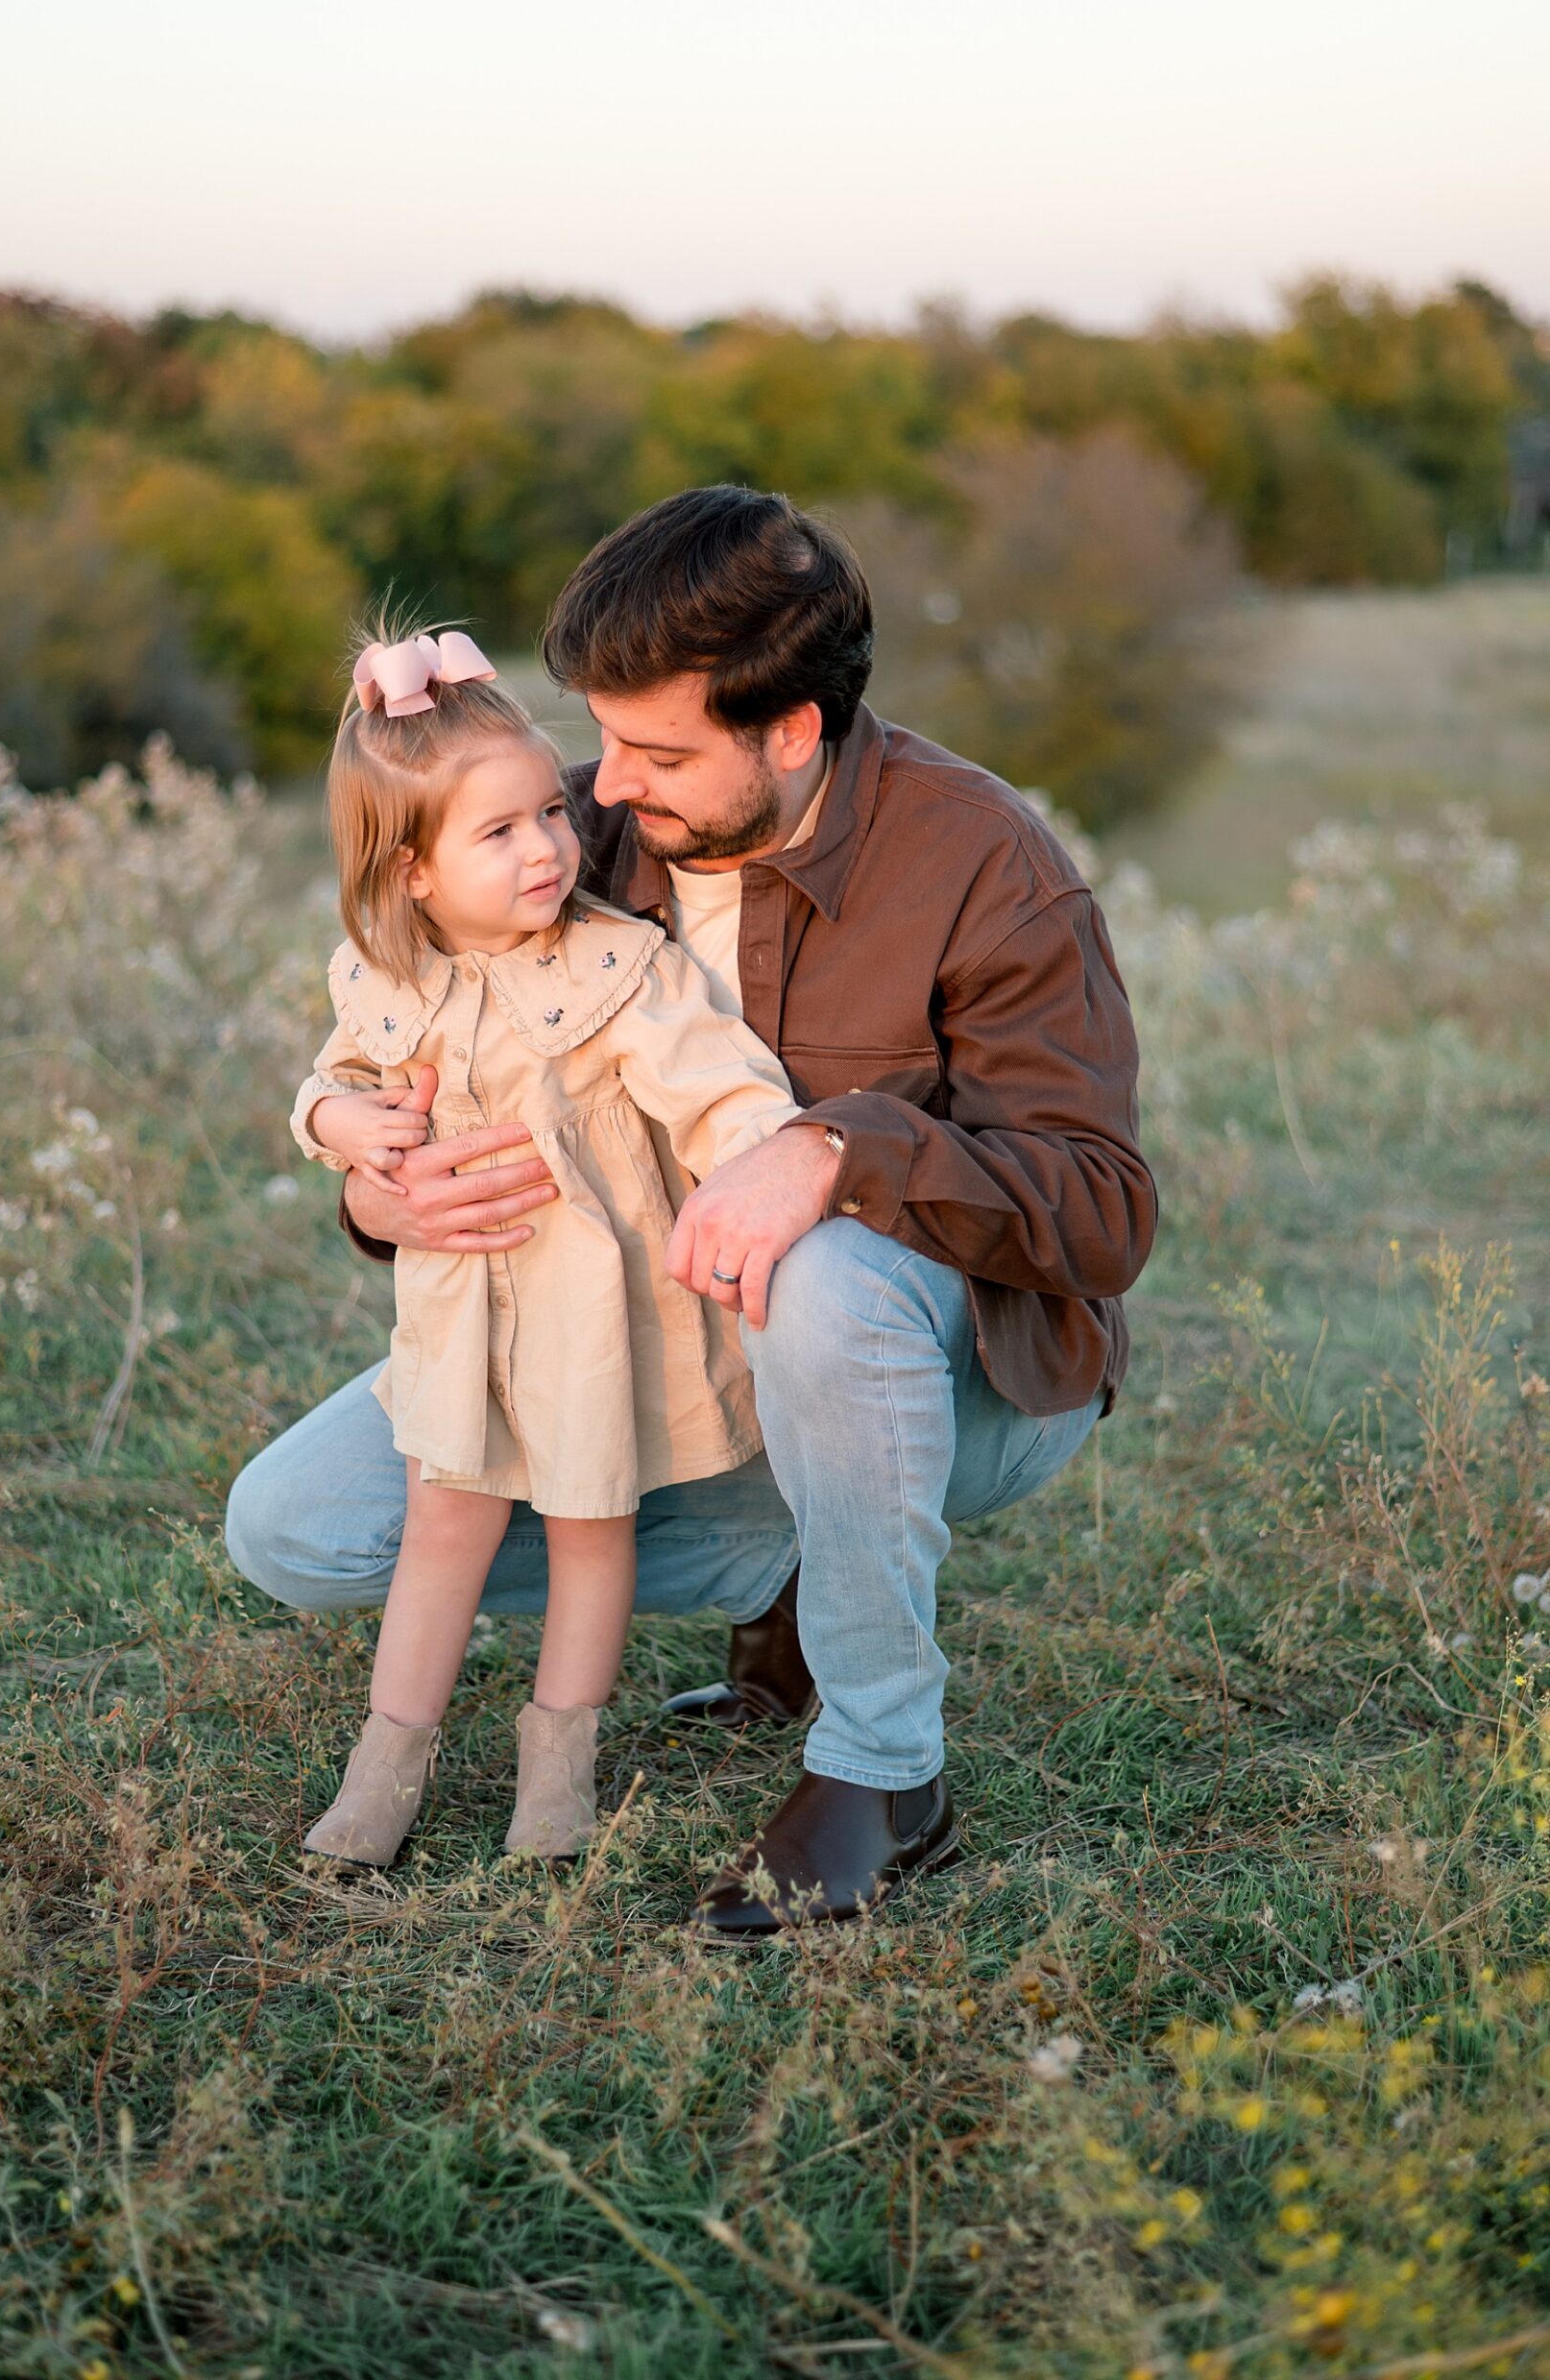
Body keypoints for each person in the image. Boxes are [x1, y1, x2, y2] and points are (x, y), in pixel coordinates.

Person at [226, 488, 1156, 1941]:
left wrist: (843, 1152)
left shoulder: (987, 866)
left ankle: (883, 1769)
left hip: (956, 1375)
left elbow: (1102, 1217)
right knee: (300, 1529)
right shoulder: (589, 838)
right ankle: (806, 1555)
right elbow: (429, 1028)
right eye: (597, 740)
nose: (600, 790)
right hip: (652, 1348)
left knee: (832, 1267)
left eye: (656, 751)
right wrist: (378, 1183)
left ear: (790, 729)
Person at [289, 623, 797, 1866]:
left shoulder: (621, 966)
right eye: (499, 831)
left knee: (588, 1536)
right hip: (457, 1321)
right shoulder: (383, 975)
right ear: (410, 873)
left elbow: (723, 1087)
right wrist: (338, 1118)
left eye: (548, 816)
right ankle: (387, 1763)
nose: (546, 847)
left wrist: (767, 1163)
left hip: (590, 1325)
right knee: (439, 1539)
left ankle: (556, 1767)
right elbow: (329, 1084)